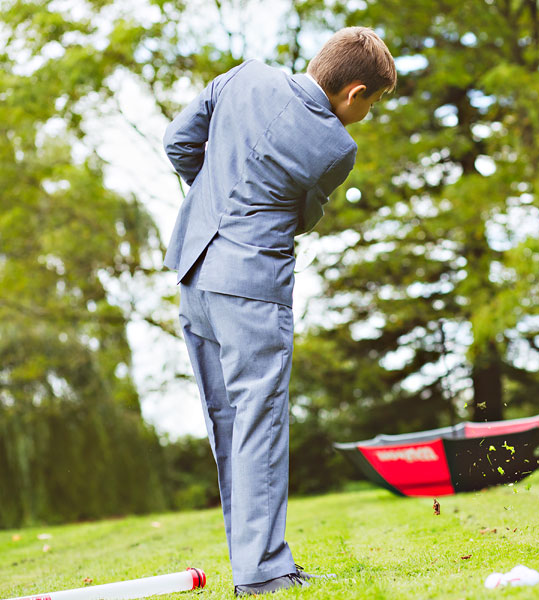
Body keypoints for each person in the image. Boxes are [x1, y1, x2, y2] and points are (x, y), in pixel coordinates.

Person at [162, 27, 396, 596]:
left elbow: (177, 143)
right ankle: (263, 572)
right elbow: (303, 218)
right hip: (250, 288)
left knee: (227, 423)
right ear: (354, 92)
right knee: (259, 425)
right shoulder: (337, 148)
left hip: (194, 273)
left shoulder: (243, 76)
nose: (367, 114)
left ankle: (252, 563)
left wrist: (215, 199)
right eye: (373, 104)